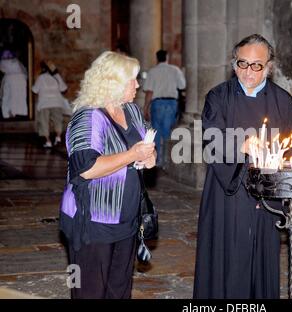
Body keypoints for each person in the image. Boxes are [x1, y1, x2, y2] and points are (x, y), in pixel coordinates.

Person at [193, 34, 292, 299]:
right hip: (228, 193)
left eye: (257, 65)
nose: (248, 71)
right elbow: (210, 138)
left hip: (268, 195)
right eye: (242, 64)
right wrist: (241, 144)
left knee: (262, 259)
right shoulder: (218, 97)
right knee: (229, 260)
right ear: (234, 64)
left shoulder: (283, 101)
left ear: (269, 67)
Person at [59, 51, 157, 299]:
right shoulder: (88, 117)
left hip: (126, 220)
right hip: (94, 221)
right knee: (91, 291)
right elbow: (86, 168)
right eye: (132, 80)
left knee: (119, 290)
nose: (137, 85)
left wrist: (149, 157)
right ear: (112, 83)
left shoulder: (132, 111)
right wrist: (131, 155)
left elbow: (146, 146)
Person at [143, 49, 186, 168]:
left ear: (157, 58)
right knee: (168, 132)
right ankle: (168, 161)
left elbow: (149, 92)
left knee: (156, 132)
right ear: (167, 57)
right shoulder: (175, 70)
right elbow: (182, 86)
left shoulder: (152, 72)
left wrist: (145, 108)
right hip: (171, 103)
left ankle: (157, 161)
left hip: (157, 103)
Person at [32, 61, 68, 148]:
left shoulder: (41, 77)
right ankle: (58, 137)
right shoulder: (56, 76)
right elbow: (64, 88)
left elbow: (34, 90)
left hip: (44, 103)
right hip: (56, 102)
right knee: (58, 121)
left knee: (44, 122)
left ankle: (48, 141)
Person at [0, 50, 27, 119]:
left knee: (7, 98)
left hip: (10, 79)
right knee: (19, 98)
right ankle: (17, 113)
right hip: (21, 79)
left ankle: (8, 114)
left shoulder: (3, 63)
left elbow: (4, 96)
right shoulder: (17, 62)